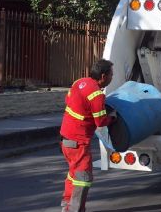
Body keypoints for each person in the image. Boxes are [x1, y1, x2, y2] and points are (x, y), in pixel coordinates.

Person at [59, 59, 117, 212]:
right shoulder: (96, 95)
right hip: (79, 142)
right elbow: (101, 122)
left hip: (66, 139)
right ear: (103, 76)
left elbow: (69, 100)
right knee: (83, 178)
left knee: (73, 174)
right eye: (111, 75)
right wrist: (113, 118)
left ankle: (67, 206)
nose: (112, 78)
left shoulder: (79, 82)